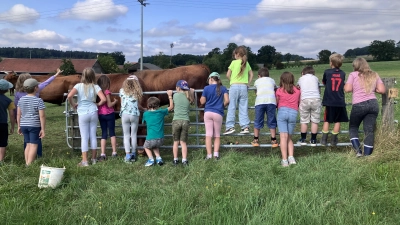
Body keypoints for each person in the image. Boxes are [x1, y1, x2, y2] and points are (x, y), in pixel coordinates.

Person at [13, 68, 62, 157]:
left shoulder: (17, 94)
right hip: (35, 122)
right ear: (34, 86)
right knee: (36, 140)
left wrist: (18, 122)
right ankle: (38, 156)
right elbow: (47, 82)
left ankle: (27, 159)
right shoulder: (37, 91)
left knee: (27, 141)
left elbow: (16, 108)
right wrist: (56, 74)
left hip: (24, 121)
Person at [344, 57, 385, 156]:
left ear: (356, 66)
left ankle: (358, 151)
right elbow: (382, 90)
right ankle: (367, 155)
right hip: (373, 104)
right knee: (369, 130)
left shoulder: (353, 75)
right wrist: (373, 89)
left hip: (359, 104)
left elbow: (348, 89)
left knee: (353, 127)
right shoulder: (374, 74)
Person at [67, 68, 106, 167]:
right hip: (93, 111)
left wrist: (73, 104)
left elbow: (69, 96)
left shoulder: (78, 86)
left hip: (83, 112)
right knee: (93, 136)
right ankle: (93, 159)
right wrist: (97, 104)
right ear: (93, 76)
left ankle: (85, 161)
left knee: (84, 137)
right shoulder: (95, 86)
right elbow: (104, 99)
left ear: (83, 75)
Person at [223, 46, 254, 135]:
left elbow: (227, 75)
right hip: (244, 87)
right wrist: (248, 83)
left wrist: (232, 81)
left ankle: (230, 127)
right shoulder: (246, 63)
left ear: (237, 54)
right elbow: (251, 74)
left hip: (234, 87)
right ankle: (245, 127)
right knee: (243, 107)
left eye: (234, 54)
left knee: (232, 106)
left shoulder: (233, 62)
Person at [321, 53, 348, 146]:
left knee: (327, 120)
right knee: (338, 120)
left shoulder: (327, 72)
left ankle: (324, 139)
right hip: (340, 100)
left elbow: (324, 82)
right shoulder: (343, 73)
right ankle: (333, 140)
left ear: (331, 63)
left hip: (329, 100)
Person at [17, 78, 46, 166]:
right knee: (34, 145)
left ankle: (27, 162)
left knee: (28, 144)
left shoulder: (21, 99)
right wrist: (43, 129)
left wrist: (18, 126)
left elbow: (18, 114)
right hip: (34, 125)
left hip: (23, 125)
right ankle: (29, 165)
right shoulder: (38, 100)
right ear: (35, 88)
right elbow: (42, 116)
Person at [200, 72, 229, 160]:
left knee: (208, 135)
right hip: (218, 113)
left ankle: (209, 155)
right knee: (217, 135)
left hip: (208, 112)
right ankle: (216, 155)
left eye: (208, 79)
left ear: (211, 79)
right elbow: (227, 101)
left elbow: (202, 102)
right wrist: (221, 106)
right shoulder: (223, 88)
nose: (208, 81)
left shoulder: (206, 88)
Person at [275, 72, 301, 167]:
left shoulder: (279, 90)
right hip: (293, 113)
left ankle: (284, 160)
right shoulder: (297, 90)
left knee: (283, 137)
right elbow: (299, 101)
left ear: (282, 80)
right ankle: (291, 157)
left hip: (282, 112)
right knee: (289, 137)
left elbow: (276, 102)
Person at [142, 94, 173, 166]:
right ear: (158, 106)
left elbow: (143, 123)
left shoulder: (146, 114)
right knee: (155, 146)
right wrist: (170, 96)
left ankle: (151, 160)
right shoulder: (161, 112)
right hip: (160, 138)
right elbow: (171, 107)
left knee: (146, 147)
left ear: (148, 105)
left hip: (150, 138)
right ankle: (159, 159)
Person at [119, 75, 145, 163]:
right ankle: (133, 154)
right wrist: (144, 109)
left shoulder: (122, 91)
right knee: (133, 134)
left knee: (126, 135)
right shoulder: (138, 91)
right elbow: (138, 105)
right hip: (134, 114)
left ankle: (127, 155)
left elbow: (122, 103)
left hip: (125, 114)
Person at [251, 67, 278, 147]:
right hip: (271, 102)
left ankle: (256, 139)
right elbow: (275, 88)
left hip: (260, 102)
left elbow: (256, 91)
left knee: (258, 120)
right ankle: (274, 140)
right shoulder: (272, 80)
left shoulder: (257, 81)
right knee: (272, 120)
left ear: (259, 76)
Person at [169, 80, 195, 166]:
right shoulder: (189, 96)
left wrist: (169, 95)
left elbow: (171, 106)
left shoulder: (175, 95)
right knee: (183, 142)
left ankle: (175, 160)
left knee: (176, 142)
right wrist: (192, 92)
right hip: (185, 121)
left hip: (176, 120)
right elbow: (192, 101)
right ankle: (184, 160)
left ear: (178, 88)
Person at [297, 66, 321, 146]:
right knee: (315, 120)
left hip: (305, 99)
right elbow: (318, 89)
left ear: (303, 73)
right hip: (316, 99)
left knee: (304, 120)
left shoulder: (301, 78)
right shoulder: (315, 78)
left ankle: (303, 139)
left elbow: (298, 88)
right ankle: (313, 140)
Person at [97, 75, 118, 161]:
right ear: (107, 83)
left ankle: (103, 153)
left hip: (101, 114)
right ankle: (114, 152)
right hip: (110, 114)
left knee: (104, 133)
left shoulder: (98, 92)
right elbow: (109, 105)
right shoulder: (107, 92)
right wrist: (115, 102)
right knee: (112, 133)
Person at [0, 80, 15, 165]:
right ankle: (1, 160)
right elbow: (12, 115)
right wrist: (12, 126)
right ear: (6, 90)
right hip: (2, 124)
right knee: (2, 142)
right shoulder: (9, 101)